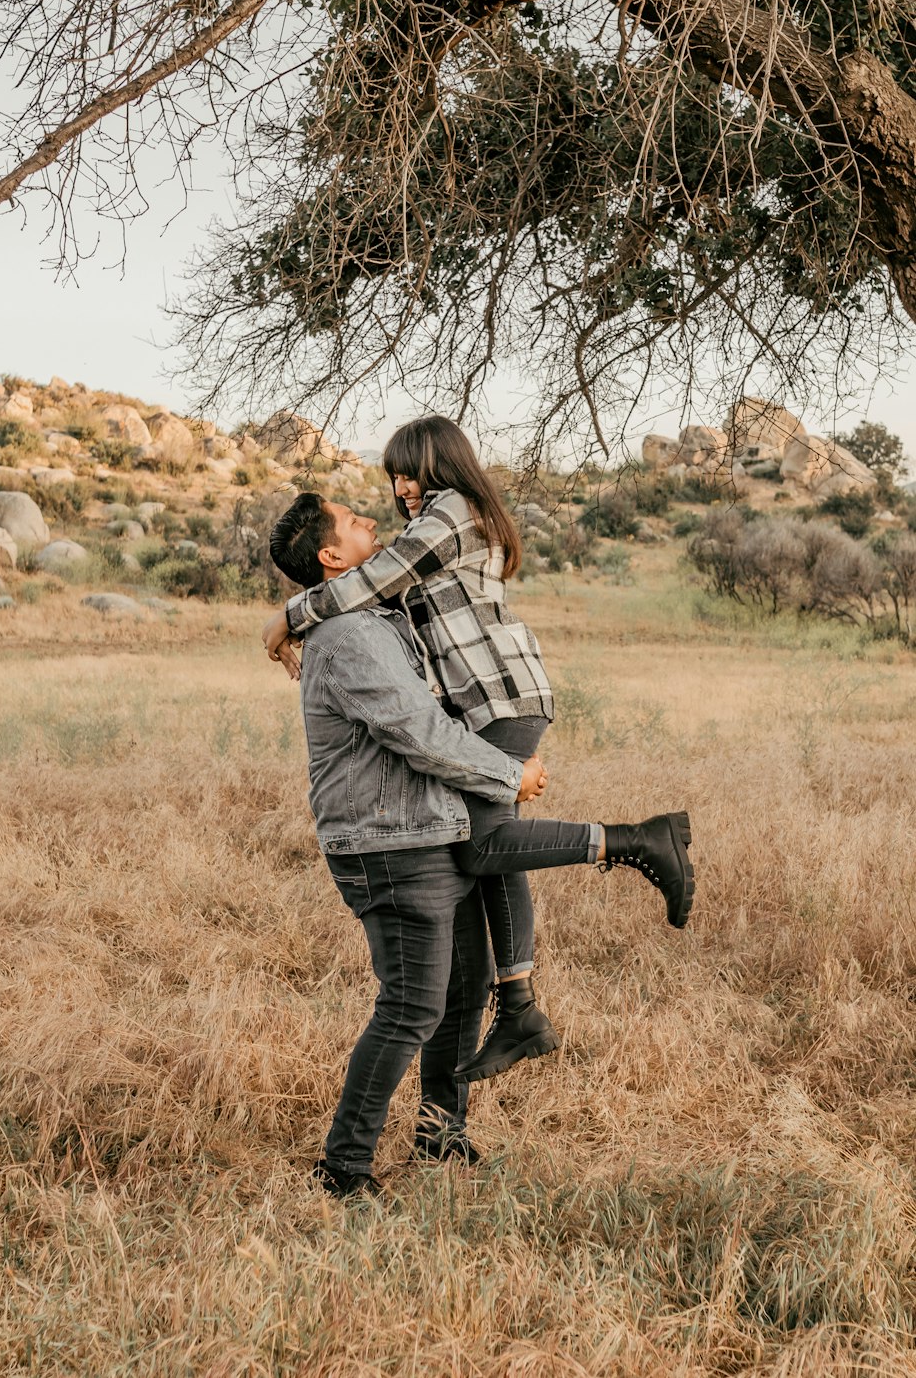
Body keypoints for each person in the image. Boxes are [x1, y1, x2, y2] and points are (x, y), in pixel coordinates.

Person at [269, 491, 695, 1196]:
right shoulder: (349, 638)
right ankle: (343, 1170)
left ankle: (441, 1137)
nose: (371, 520)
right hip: (389, 845)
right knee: (410, 1007)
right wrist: (508, 775)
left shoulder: (374, 617)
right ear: (331, 557)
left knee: (463, 996)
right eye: (353, 521)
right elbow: (417, 731)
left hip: (426, 831)